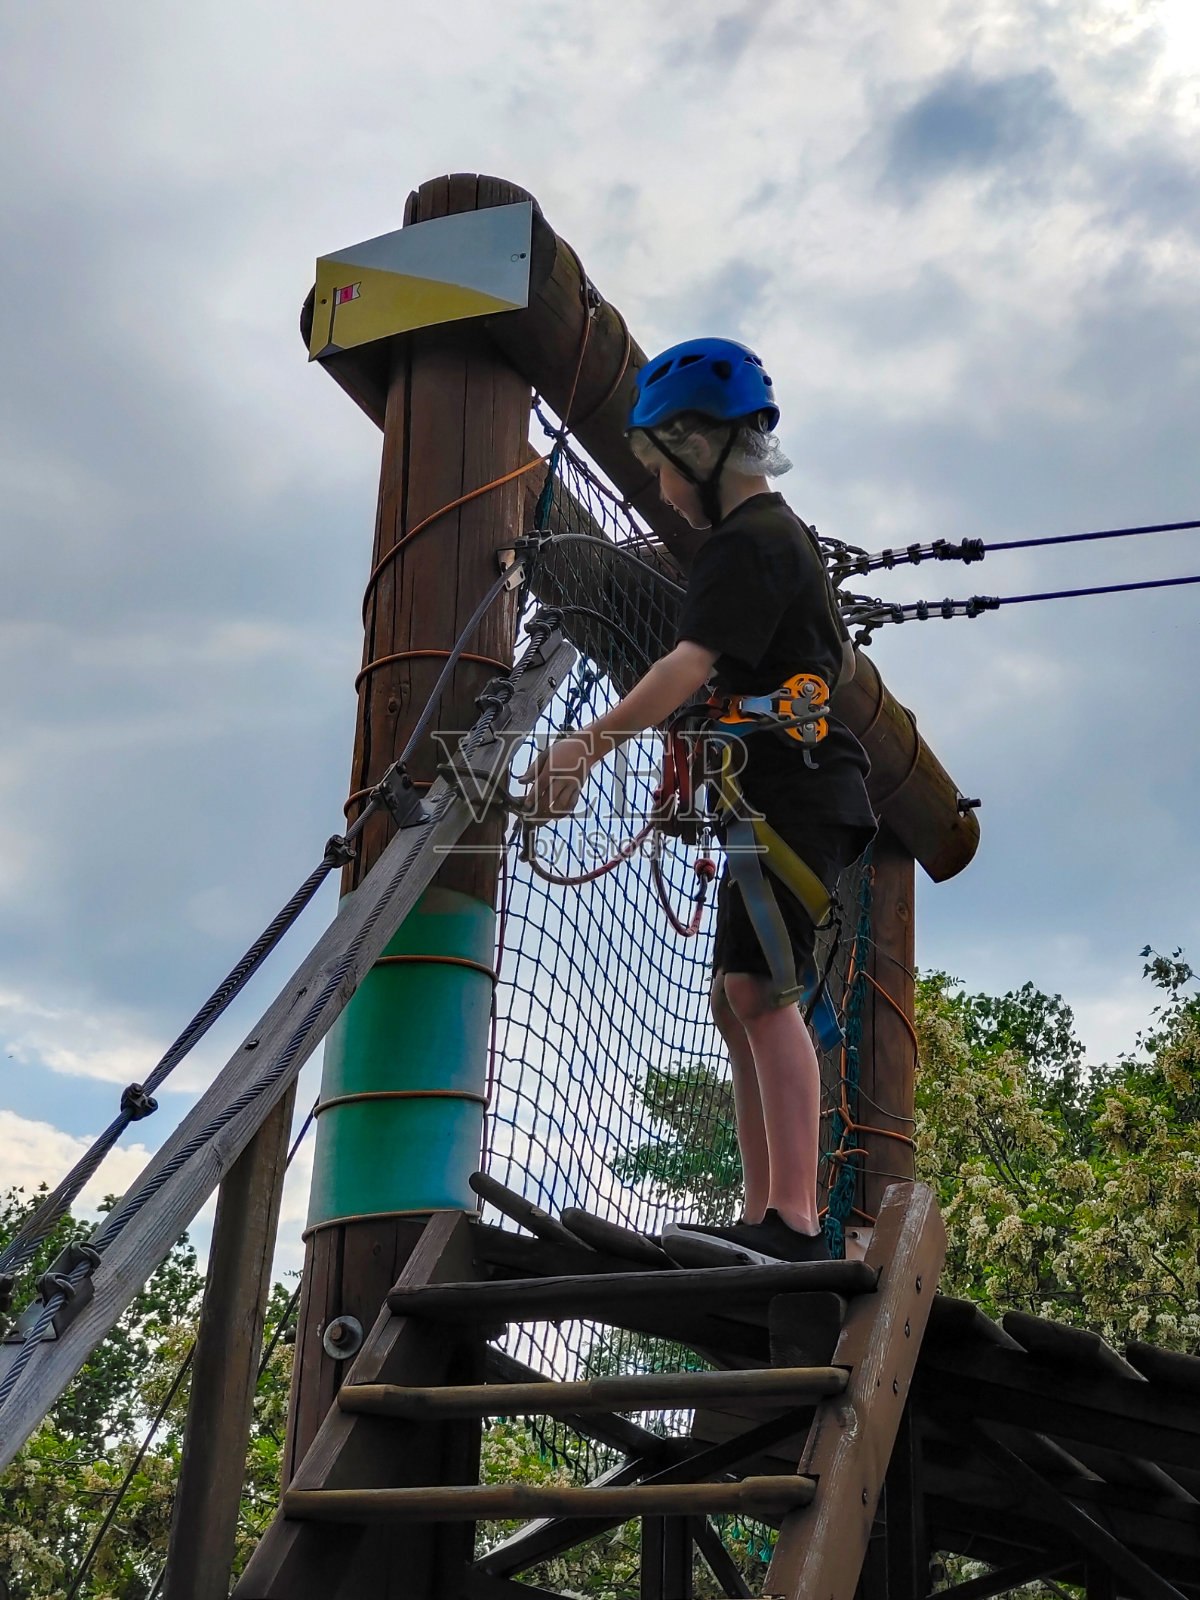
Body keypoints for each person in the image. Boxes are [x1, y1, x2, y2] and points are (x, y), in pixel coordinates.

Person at [518, 337, 877, 1262]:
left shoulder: (748, 544)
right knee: (736, 998)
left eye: (661, 463)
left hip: (796, 796)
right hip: (781, 794)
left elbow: (687, 664)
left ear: (698, 444)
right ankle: (766, 1210)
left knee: (759, 989)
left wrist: (584, 749)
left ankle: (793, 1221)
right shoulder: (765, 541)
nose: (661, 487)